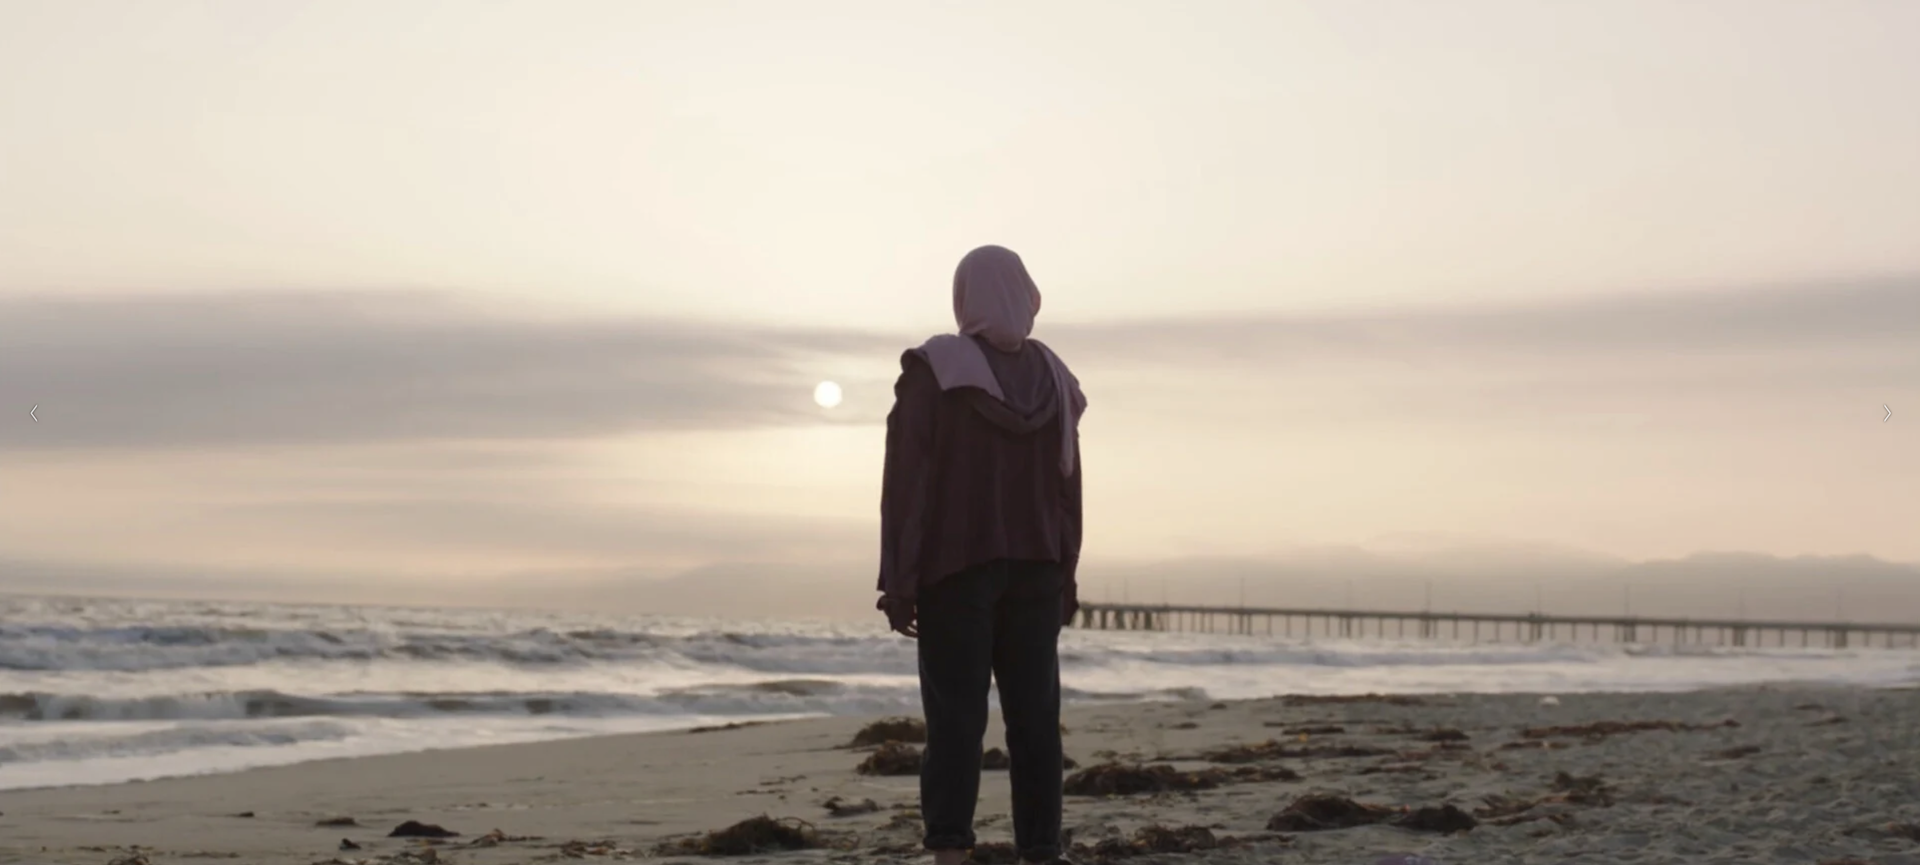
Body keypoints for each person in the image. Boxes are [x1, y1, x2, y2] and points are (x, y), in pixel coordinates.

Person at [876, 244, 1087, 865]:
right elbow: (1068, 485)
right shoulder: (1056, 378)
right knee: (1035, 720)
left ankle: (949, 851)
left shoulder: (933, 369)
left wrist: (899, 580)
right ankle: (1041, 850)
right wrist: (1066, 573)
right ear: (1026, 295)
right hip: (1037, 569)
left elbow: (907, 483)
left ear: (964, 295)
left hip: (955, 570)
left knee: (955, 719)